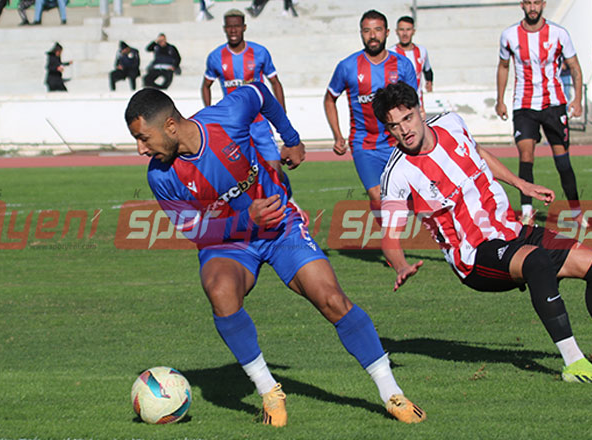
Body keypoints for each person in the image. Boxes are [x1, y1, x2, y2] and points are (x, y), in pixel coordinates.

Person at [123, 83, 427, 426]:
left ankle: (391, 393)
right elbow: (193, 231)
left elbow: (259, 93)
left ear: (171, 126)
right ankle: (269, 391)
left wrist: (292, 138)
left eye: (143, 138)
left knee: (330, 297)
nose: (140, 149)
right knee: (221, 292)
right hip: (229, 242)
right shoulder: (161, 176)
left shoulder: (226, 117)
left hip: (279, 226)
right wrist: (244, 219)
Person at [373, 81, 592, 385]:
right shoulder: (397, 174)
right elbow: (389, 236)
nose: (404, 130)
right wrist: (401, 265)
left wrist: (521, 184)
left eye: (407, 118)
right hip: (474, 256)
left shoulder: (451, 123)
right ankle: (574, 363)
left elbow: (479, 153)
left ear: (420, 110)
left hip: (512, 231)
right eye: (394, 126)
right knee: (537, 262)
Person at [496, 0, 584, 226]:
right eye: (528, 3)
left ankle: (576, 211)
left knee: (562, 161)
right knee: (526, 156)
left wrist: (577, 99)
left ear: (544, 4)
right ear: (522, 5)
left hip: (554, 105)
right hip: (524, 106)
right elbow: (503, 66)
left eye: (536, 2)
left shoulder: (558, 34)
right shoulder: (509, 36)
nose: (532, 7)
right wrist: (500, 100)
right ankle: (527, 211)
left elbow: (574, 66)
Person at [324, 9, 417, 212]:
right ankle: (390, 242)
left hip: (399, 143)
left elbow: (414, 105)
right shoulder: (347, 66)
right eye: (367, 30)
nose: (372, 35)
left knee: (411, 199)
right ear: (361, 33)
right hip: (365, 144)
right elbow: (330, 99)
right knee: (377, 198)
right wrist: (338, 135)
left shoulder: (402, 65)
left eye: (377, 30)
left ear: (387, 32)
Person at [202, 8, 286, 171]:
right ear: (224, 28)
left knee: (274, 168)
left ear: (244, 27)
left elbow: (275, 82)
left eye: (237, 26)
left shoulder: (260, 52)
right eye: (229, 27)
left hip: (259, 121)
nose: (233, 30)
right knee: (238, 173)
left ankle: (286, 194)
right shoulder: (215, 57)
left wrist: (281, 113)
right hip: (233, 124)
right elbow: (206, 86)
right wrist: (210, 113)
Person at [389, 16, 433, 99]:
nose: (405, 34)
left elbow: (427, 70)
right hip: (398, 103)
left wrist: (429, 82)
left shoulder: (422, 51)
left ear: (413, 31)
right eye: (402, 30)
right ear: (396, 31)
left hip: (417, 103)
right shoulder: (390, 53)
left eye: (408, 29)